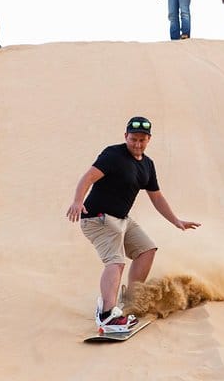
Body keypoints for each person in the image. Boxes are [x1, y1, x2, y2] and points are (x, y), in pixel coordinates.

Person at [66, 116, 201, 331]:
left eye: (141, 140)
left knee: (147, 249)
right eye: (133, 139)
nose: (137, 144)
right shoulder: (113, 154)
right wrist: (77, 201)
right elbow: (89, 177)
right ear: (125, 136)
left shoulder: (147, 165)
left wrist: (176, 221)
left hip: (121, 219)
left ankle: (129, 302)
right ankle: (107, 315)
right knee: (116, 261)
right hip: (97, 217)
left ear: (148, 140)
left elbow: (156, 197)